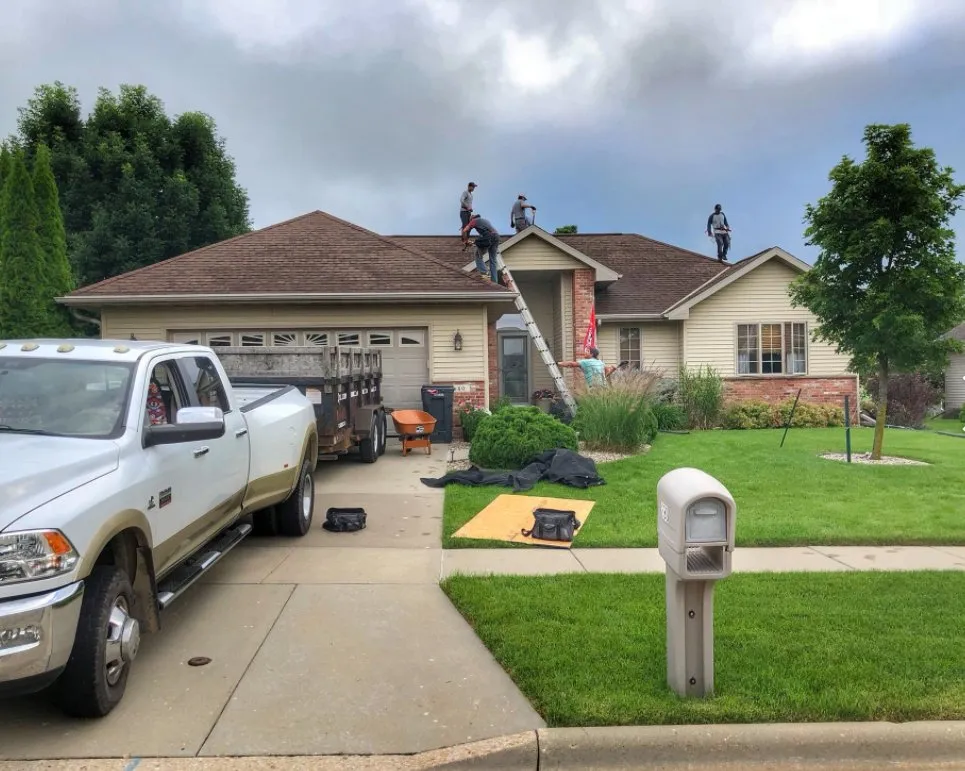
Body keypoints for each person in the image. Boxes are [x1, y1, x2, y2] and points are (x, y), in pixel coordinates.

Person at [461, 213, 501, 283]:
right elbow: (483, 239)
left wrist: (465, 241)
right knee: (493, 260)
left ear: (471, 219)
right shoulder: (485, 221)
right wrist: (474, 243)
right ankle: (494, 281)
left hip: (489, 237)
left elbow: (465, 230)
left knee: (477, 254)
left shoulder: (474, 221)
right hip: (496, 237)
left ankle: (485, 273)